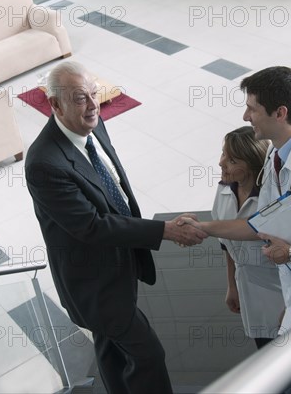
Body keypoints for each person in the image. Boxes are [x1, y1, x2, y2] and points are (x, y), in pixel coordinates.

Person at [25, 61, 207, 394]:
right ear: (55, 104)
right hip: (95, 284)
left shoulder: (92, 123)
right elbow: (92, 226)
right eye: (81, 98)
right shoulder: (44, 163)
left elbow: (112, 185)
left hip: (118, 264)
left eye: (94, 94)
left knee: (111, 351)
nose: (93, 105)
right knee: (149, 354)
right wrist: (164, 231)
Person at [181, 66, 291, 393]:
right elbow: (261, 223)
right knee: (288, 378)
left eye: (253, 108)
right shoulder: (276, 151)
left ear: (280, 112)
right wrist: (203, 226)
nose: (246, 116)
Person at [209, 126, 285, 348]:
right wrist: (231, 285)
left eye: (232, 160)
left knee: (290, 364)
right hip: (248, 287)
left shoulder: (273, 199)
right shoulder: (224, 189)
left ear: (252, 166)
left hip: (279, 290)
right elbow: (226, 243)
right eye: (224, 153)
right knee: (265, 352)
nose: (221, 163)